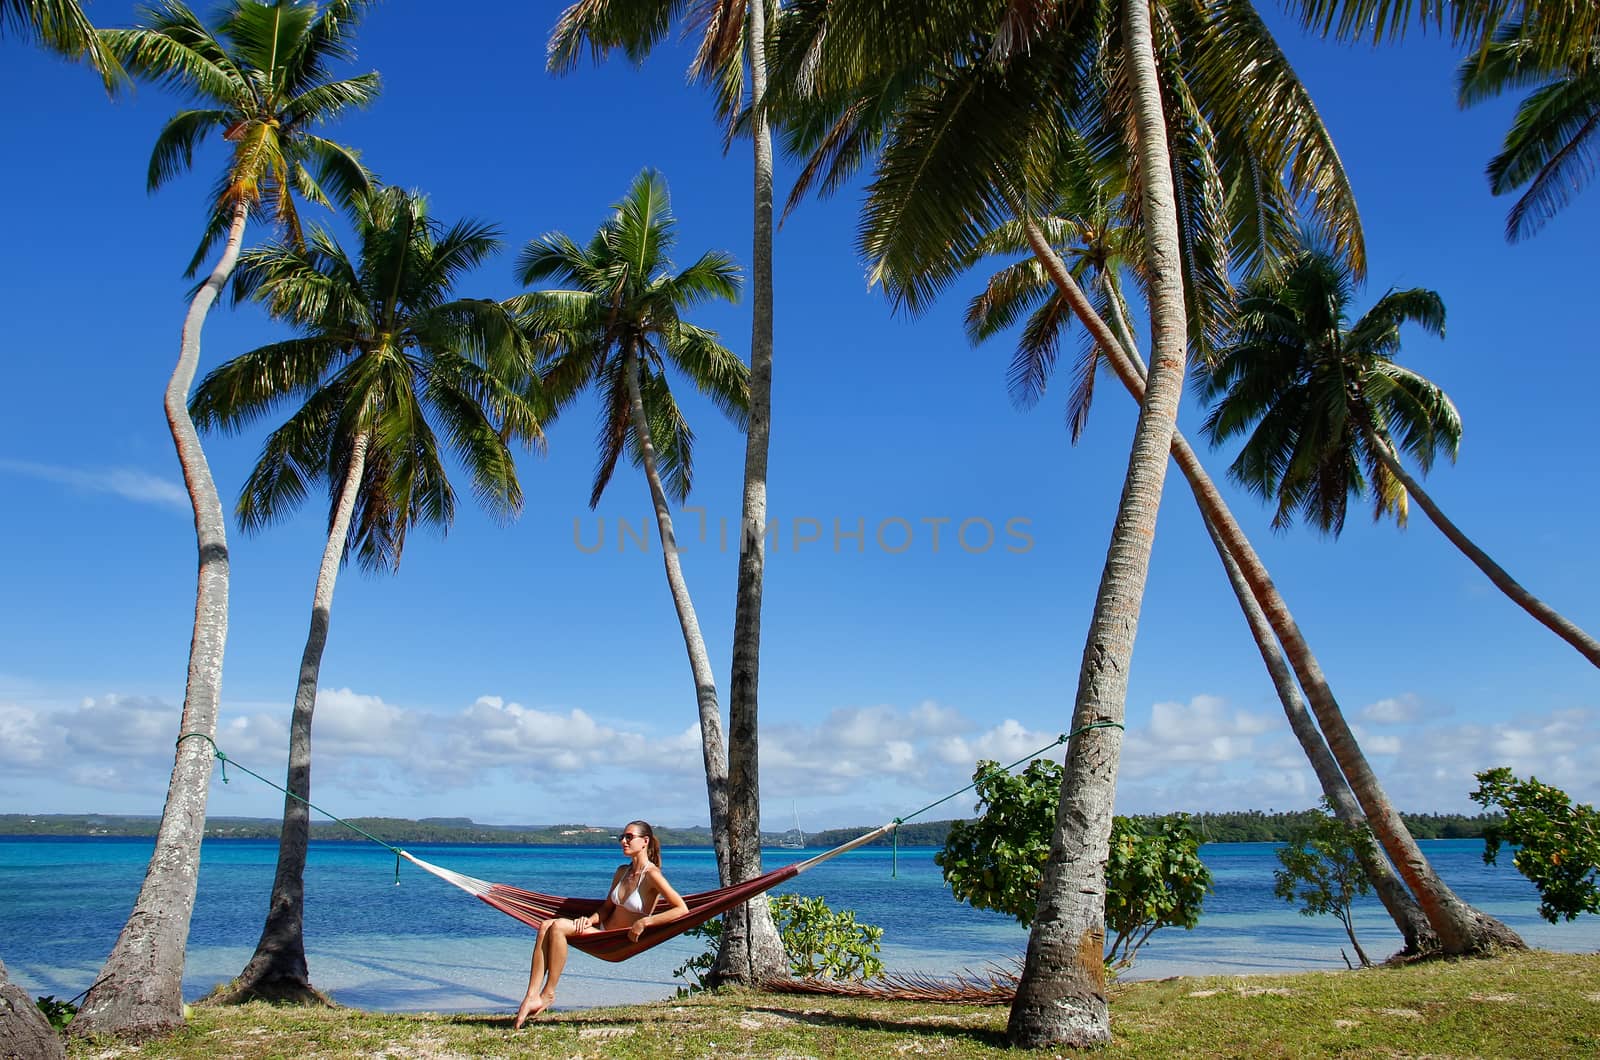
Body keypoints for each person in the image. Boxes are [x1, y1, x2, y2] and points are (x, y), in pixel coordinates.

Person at [513, 819, 688, 1026]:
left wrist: (645, 923)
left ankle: (548, 993)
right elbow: (606, 908)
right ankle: (532, 995)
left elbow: (682, 909)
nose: (623, 841)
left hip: (618, 940)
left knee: (557, 927)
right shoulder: (622, 871)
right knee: (545, 925)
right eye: (622, 837)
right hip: (601, 931)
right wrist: (589, 920)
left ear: (645, 841)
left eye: (629, 837)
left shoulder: (652, 875)